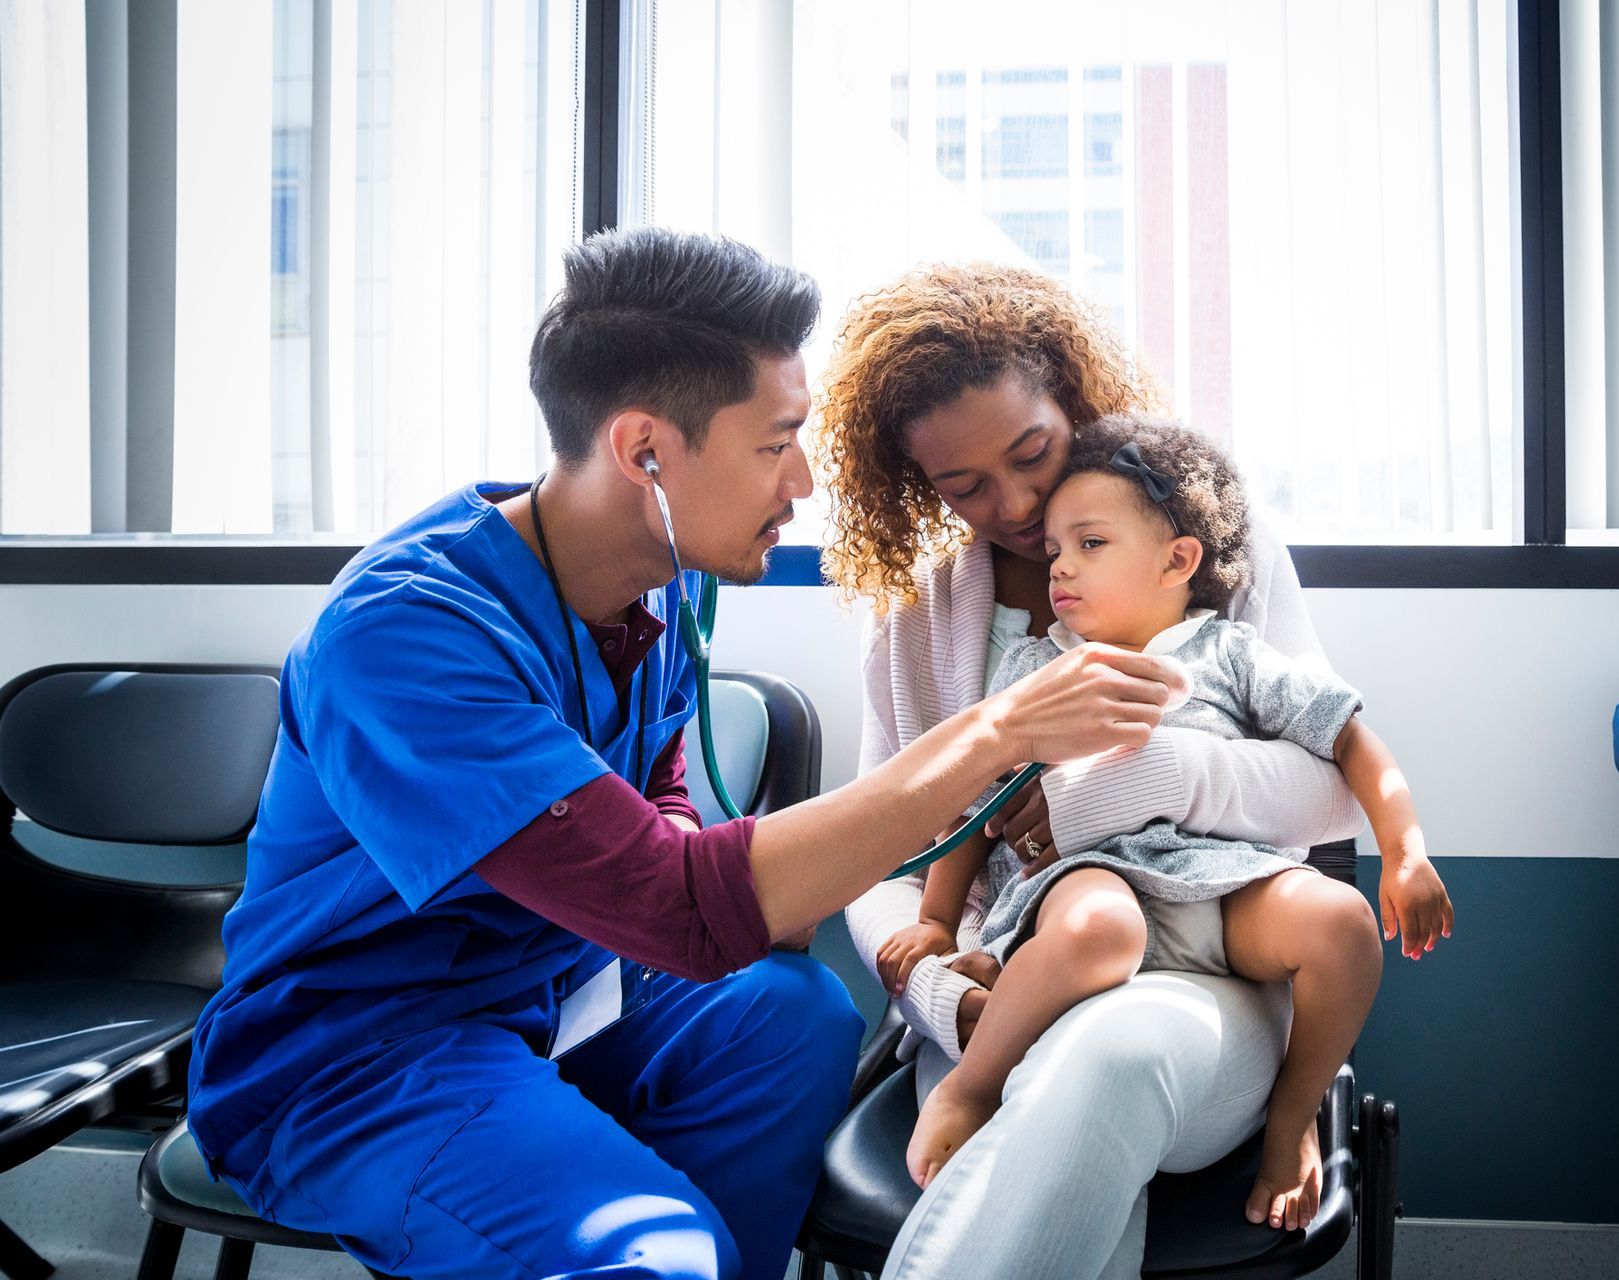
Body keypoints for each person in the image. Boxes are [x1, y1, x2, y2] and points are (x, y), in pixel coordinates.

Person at [186, 229, 1187, 1280]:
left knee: (794, 1017)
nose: (804, 478)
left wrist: (686, 839)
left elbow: (658, 779)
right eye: (776, 442)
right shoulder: (404, 638)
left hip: (559, 988)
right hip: (361, 1051)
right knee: (661, 1252)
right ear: (645, 452)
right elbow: (676, 910)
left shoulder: (667, 569)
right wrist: (999, 728)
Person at [817, 263, 1443, 1280]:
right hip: (1014, 975)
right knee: (1073, 1111)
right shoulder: (918, 622)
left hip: (1213, 973)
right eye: (962, 485)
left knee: (1107, 1057)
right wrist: (942, 986)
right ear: (913, 485)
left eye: (1031, 453)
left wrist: (1141, 775)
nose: (1014, 504)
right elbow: (884, 847)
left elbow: (1331, 783)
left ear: (1074, 396)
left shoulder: (1209, 551)